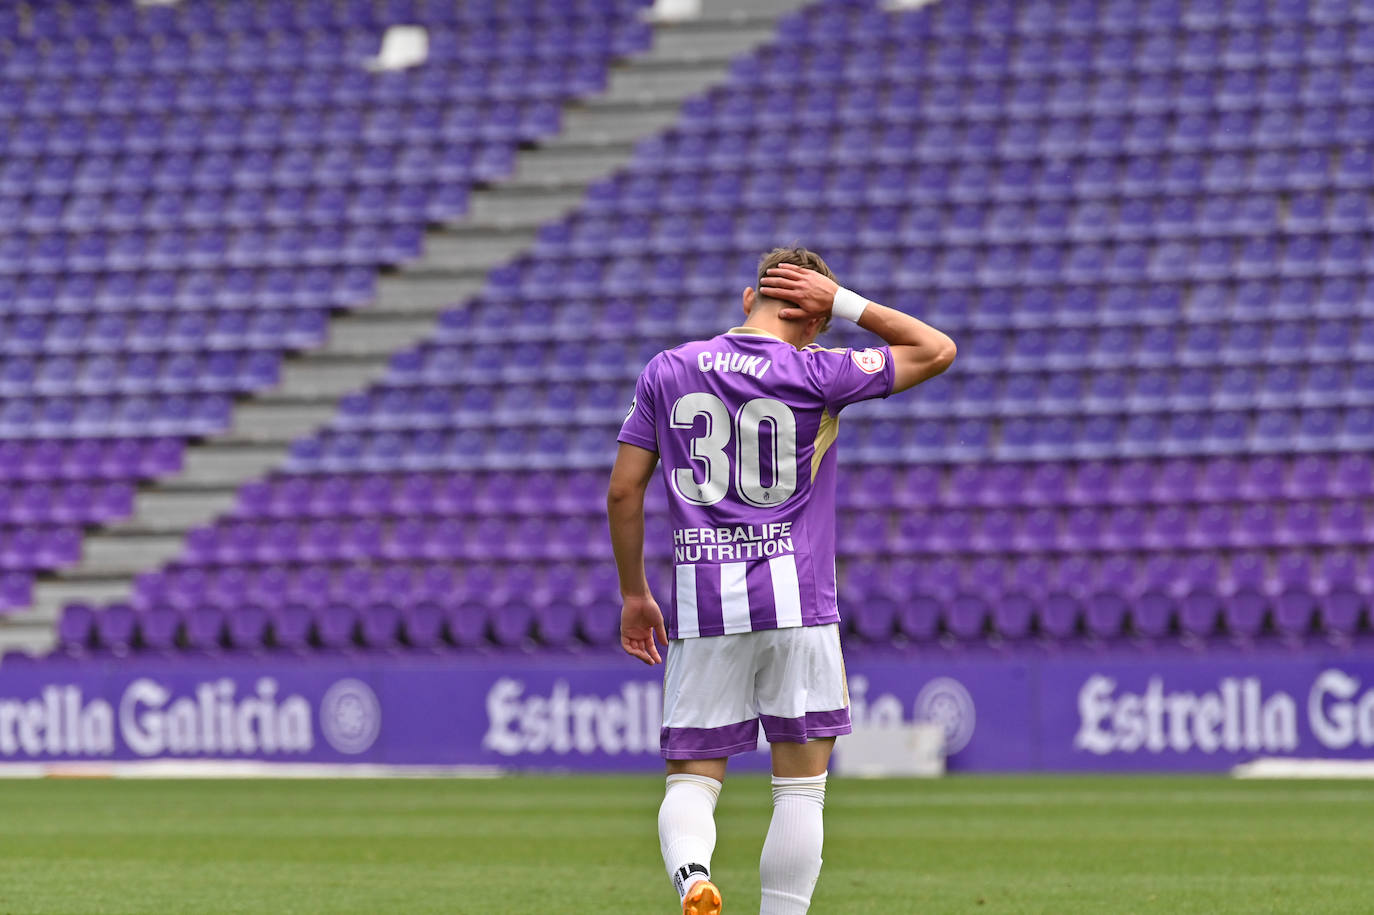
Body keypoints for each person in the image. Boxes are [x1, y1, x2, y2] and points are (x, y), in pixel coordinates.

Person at [607, 247, 956, 914]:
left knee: (694, 779)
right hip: (798, 607)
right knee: (800, 789)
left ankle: (693, 877)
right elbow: (936, 349)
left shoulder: (669, 370)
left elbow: (623, 493)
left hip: (705, 606)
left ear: (748, 299)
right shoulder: (818, 371)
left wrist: (634, 593)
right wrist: (847, 302)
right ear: (815, 320)